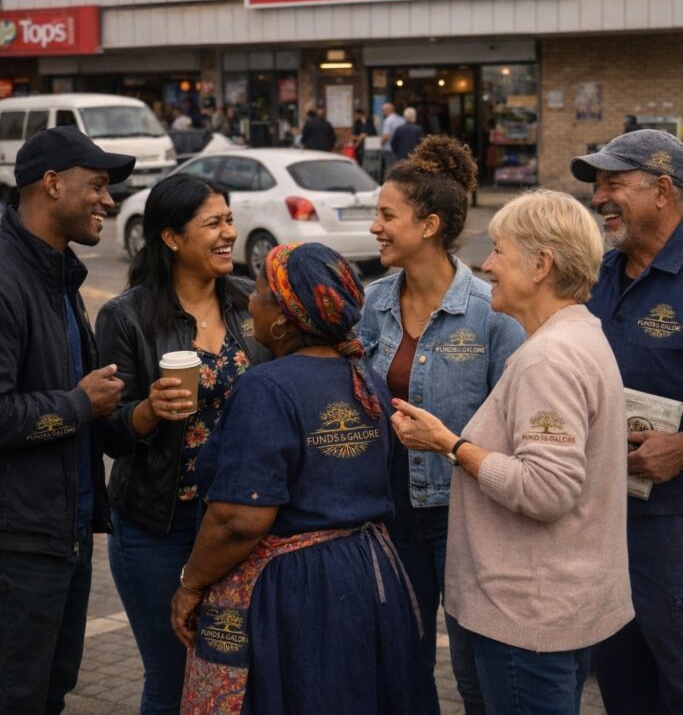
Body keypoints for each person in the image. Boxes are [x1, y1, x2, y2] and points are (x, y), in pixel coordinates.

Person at [391, 189, 634, 715]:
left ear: (542, 264)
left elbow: (547, 490)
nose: (487, 263)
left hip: (530, 619)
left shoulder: (548, 360)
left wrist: (450, 445)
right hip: (549, 609)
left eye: (499, 250)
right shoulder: (576, 336)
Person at [170, 242, 437, 715]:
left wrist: (191, 584)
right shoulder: (365, 377)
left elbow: (240, 520)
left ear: (282, 318)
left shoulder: (266, 387)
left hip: (296, 593)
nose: (250, 296)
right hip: (369, 576)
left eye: (262, 290)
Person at [358, 135, 525, 714]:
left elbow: (514, 424)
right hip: (389, 512)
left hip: (468, 516)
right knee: (401, 662)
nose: (374, 226)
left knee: (475, 671)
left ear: (428, 225)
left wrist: (452, 447)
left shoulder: (491, 311)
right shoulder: (372, 303)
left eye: (386, 215)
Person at [96, 174, 270, 715]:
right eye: (212, 223)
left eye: (229, 220)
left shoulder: (249, 301)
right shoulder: (125, 315)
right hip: (158, 526)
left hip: (239, 523)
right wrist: (147, 412)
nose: (228, 233)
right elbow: (108, 432)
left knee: (247, 676)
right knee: (173, 677)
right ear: (172, 238)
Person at [0, 125, 133, 715]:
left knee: (51, 692)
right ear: (51, 185)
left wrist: (141, 415)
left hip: (65, 536)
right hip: (18, 546)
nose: (108, 201)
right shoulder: (6, 277)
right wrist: (80, 404)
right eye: (98, 186)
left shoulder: (59, 273)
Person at [570, 129, 683, 715]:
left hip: (673, 527)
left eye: (613, 184)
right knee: (621, 682)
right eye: (597, 187)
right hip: (604, 519)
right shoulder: (598, 276)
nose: (598, 199)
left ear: (662, 190)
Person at [380, 100, 405, 175]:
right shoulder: (401, 119)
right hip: (400, 149)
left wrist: (380, 144)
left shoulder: (388, 120)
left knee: (390, 169)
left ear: (388, 110)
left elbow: (386, 136)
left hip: (389, 149)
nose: (383, 112)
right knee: (399, 169)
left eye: (383, 110)